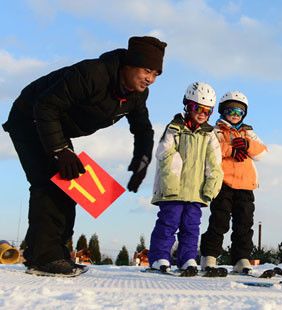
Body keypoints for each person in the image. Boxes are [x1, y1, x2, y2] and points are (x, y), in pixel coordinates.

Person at [3, 36, 167, 276]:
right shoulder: (94, 74)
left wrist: (142, 161)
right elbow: (46, 105)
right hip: (30, 117)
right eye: (147, 70)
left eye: (156, 74)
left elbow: (143, 128)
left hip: (54, 126)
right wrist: (60, 150)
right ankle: (45, 257)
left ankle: (53, 253)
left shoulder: (136, 95)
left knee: (70, 184)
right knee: (47, 183)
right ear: (129, 64)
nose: (150, 79)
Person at [148, 82, 223, 276]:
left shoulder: (209, 135)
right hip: (172, 190)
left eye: (207, 111)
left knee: (191, 226)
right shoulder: (175, 128)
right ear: (187, 106)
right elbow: (165, 155)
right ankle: (159, 256)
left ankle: (187, 257)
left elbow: (214, 163)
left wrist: (210, 188)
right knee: (168, 223)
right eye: (197, 108)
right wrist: (171, 184)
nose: (201, 114)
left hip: (195, 192)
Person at [199, 91, 267, 275]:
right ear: (222, 111)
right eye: (231, 110)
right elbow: (209, 150)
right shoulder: (216, 131)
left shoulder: (248, 132)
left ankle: (241, 258)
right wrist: (231, 150)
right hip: (224, 183)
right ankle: (210, 256)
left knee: (244, 223)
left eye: (239, 111)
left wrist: (246, 144)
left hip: (246, 185)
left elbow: (262, 153)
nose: (235, 115)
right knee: (219, 221)